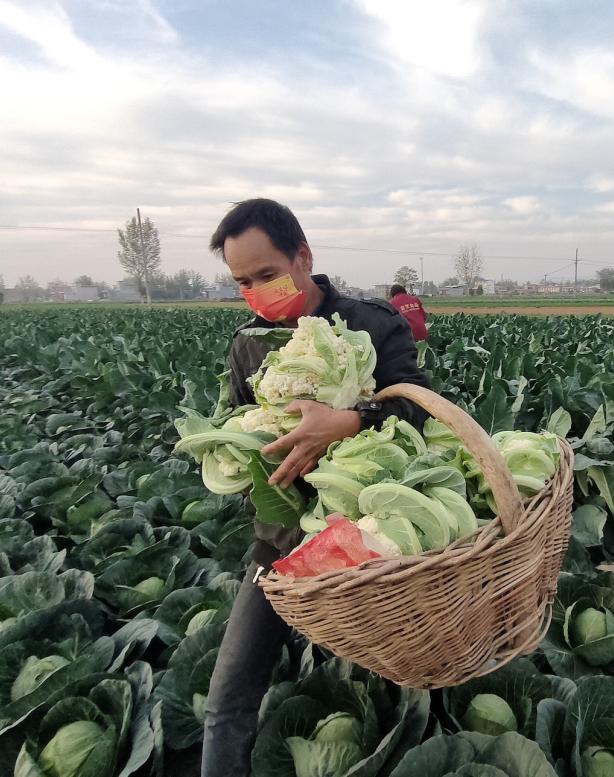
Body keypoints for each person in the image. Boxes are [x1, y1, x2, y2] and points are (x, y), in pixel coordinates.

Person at [201, 198, 430, 777]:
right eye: (243, 282)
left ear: (303, 257)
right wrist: (236, 448)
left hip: (373, 541)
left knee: (387, 680)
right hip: (282, 539)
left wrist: (349, 421)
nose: (257, 291)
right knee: (228, 693)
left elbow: (421, 408)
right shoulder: (247, 342)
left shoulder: (374, 324)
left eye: (268, 274)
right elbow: (237, 421)